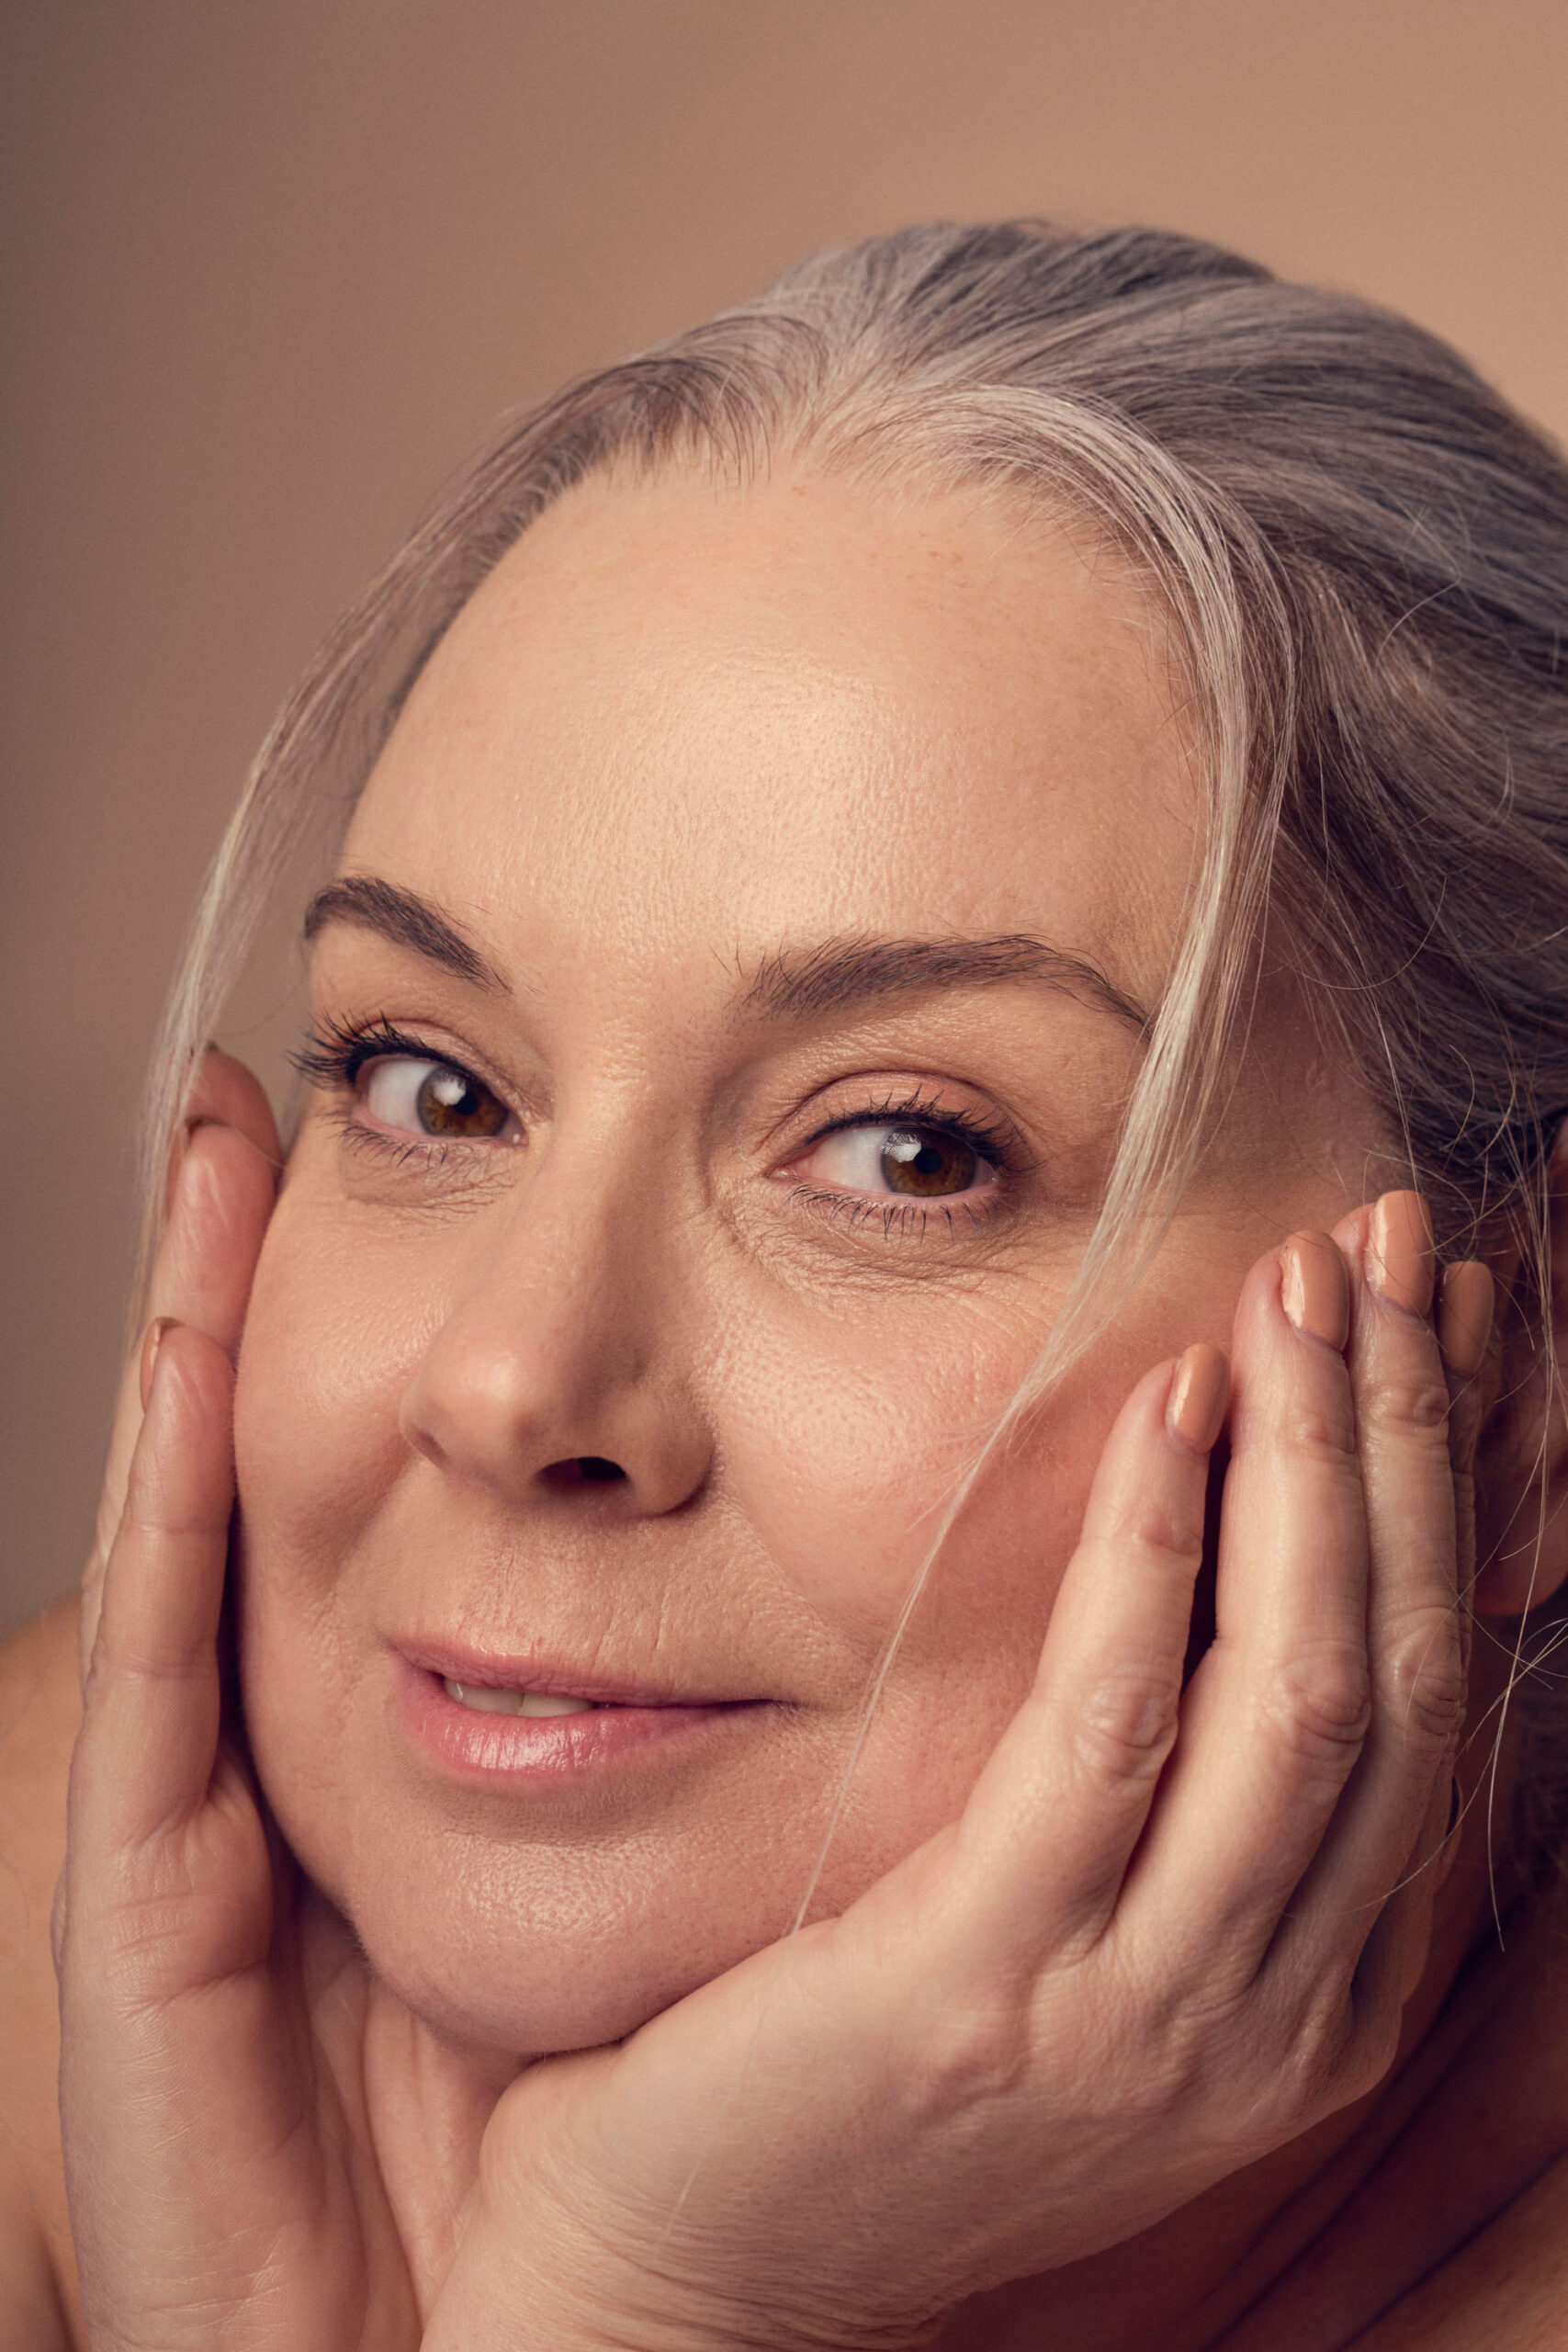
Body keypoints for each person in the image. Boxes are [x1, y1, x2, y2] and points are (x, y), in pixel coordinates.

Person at [3, 218, 1567, 2351]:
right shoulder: (64, 1897)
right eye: (431, 1083)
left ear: (1521, 1390)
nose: (510, 1381)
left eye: (904, 1149)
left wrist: (626, 2302)